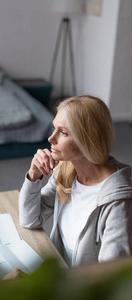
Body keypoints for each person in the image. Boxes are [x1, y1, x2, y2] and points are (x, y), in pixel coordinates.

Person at [18, 95, 132, 269]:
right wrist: (34, 174)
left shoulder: (118, 202)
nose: (51, 138)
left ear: (88, 139)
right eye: (54, 128)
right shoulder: (66, 172)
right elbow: (30, 220)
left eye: (63, 132)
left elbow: (110, 277)